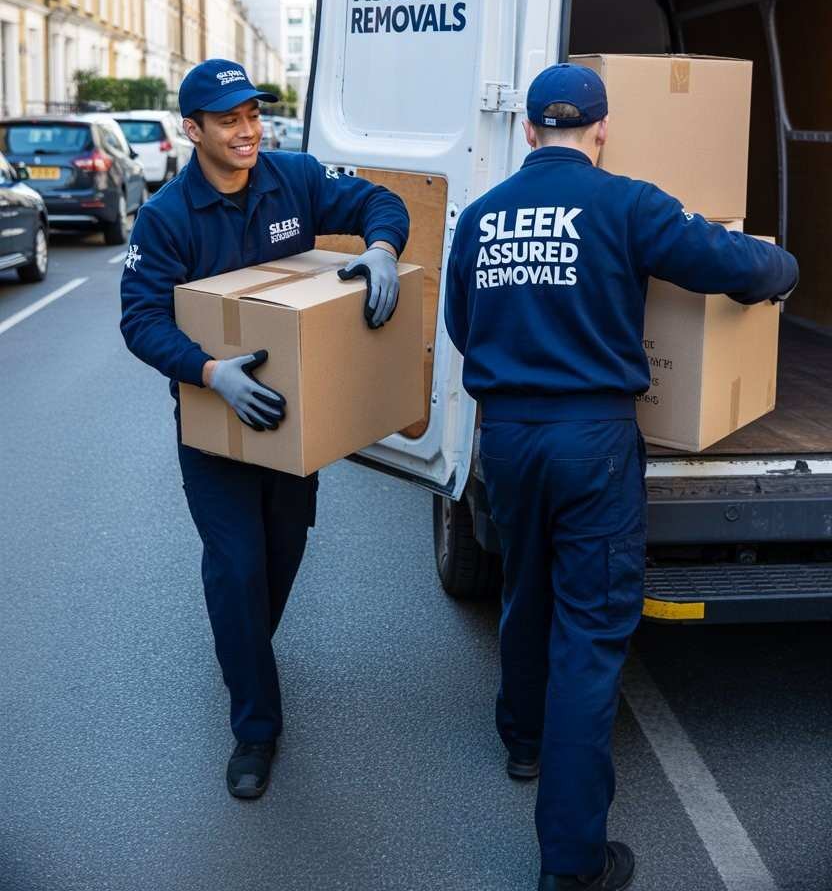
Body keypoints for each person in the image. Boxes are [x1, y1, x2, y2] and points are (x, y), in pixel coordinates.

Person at [443, 62, 797, 891]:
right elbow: (731, 266)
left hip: (510, 437)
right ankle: (572, 864)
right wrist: (781, 271)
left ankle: (523, 741)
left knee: (525, 589)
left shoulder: (484, 216)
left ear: (529, 130)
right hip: (591, 440)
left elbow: (462, 323)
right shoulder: (626, 203)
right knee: (592, 635)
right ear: (601, 130)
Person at [120, 59, 409, 800]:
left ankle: (247, 649)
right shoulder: (166, 219)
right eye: (228, 120)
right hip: (216, 425)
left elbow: (381, 201)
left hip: (293, 429)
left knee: (283, 552)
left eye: (252, 115)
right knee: (237, 566)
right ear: (194, 131)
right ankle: (255, 727)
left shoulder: (294, 178)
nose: (247, 131)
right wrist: (213, 373)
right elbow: (141, 320)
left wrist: (381, 249)